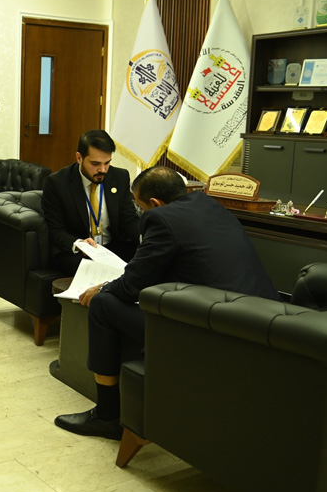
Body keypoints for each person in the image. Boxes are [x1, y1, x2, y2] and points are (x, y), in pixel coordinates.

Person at [54, 166, 279, 439]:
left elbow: (130, 287)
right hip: (263, 324)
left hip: (216, 333)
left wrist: (103, 287)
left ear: (155, 203)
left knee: (103, 304)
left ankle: (107, 416)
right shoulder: (209, 204)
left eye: (141, 207)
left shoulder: (161, 219)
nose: (141, 214)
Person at [41, 130, 141, 276]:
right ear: (79, 158)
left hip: (111, 248)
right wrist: (78, 244)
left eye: (107, 163)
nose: (103, 170)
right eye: (95, 164)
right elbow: (55, 230)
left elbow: (129, 220)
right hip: (78, 251)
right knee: (93, 270)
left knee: (145, 260)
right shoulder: (57, 183)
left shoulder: (119, 177)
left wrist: (145, 238)